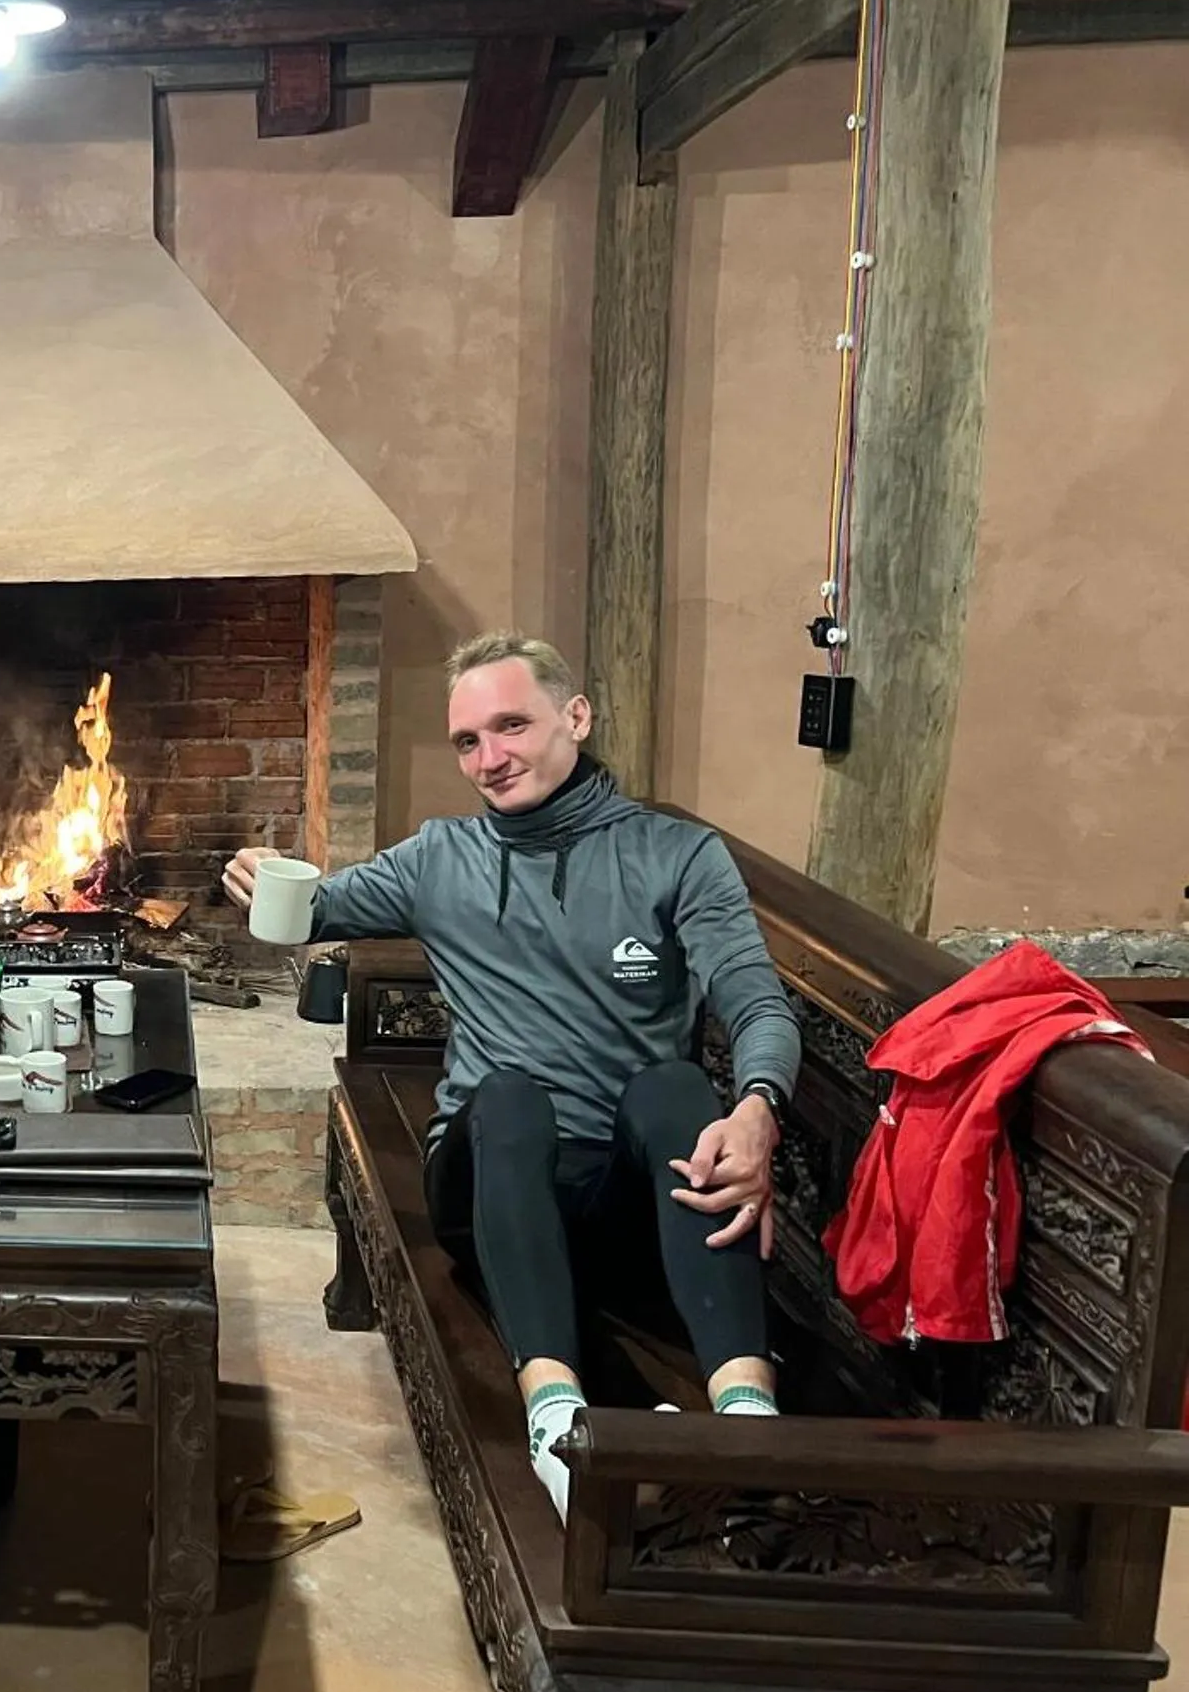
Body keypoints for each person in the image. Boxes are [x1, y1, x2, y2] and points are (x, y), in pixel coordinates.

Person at [225, 632, 801, 1522]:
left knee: (677, 1090)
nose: (490, 759)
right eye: (467, 741)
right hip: (491, 1178)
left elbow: (757, 1003)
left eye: (511, 726)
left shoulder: (677, 856)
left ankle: (748, 1417)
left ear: (575, 717)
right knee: (509, 1097)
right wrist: (265, 881)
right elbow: (316, 913)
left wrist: (759, 1108)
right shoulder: (440, 858)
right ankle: (556, 1422)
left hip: (623, 1199)